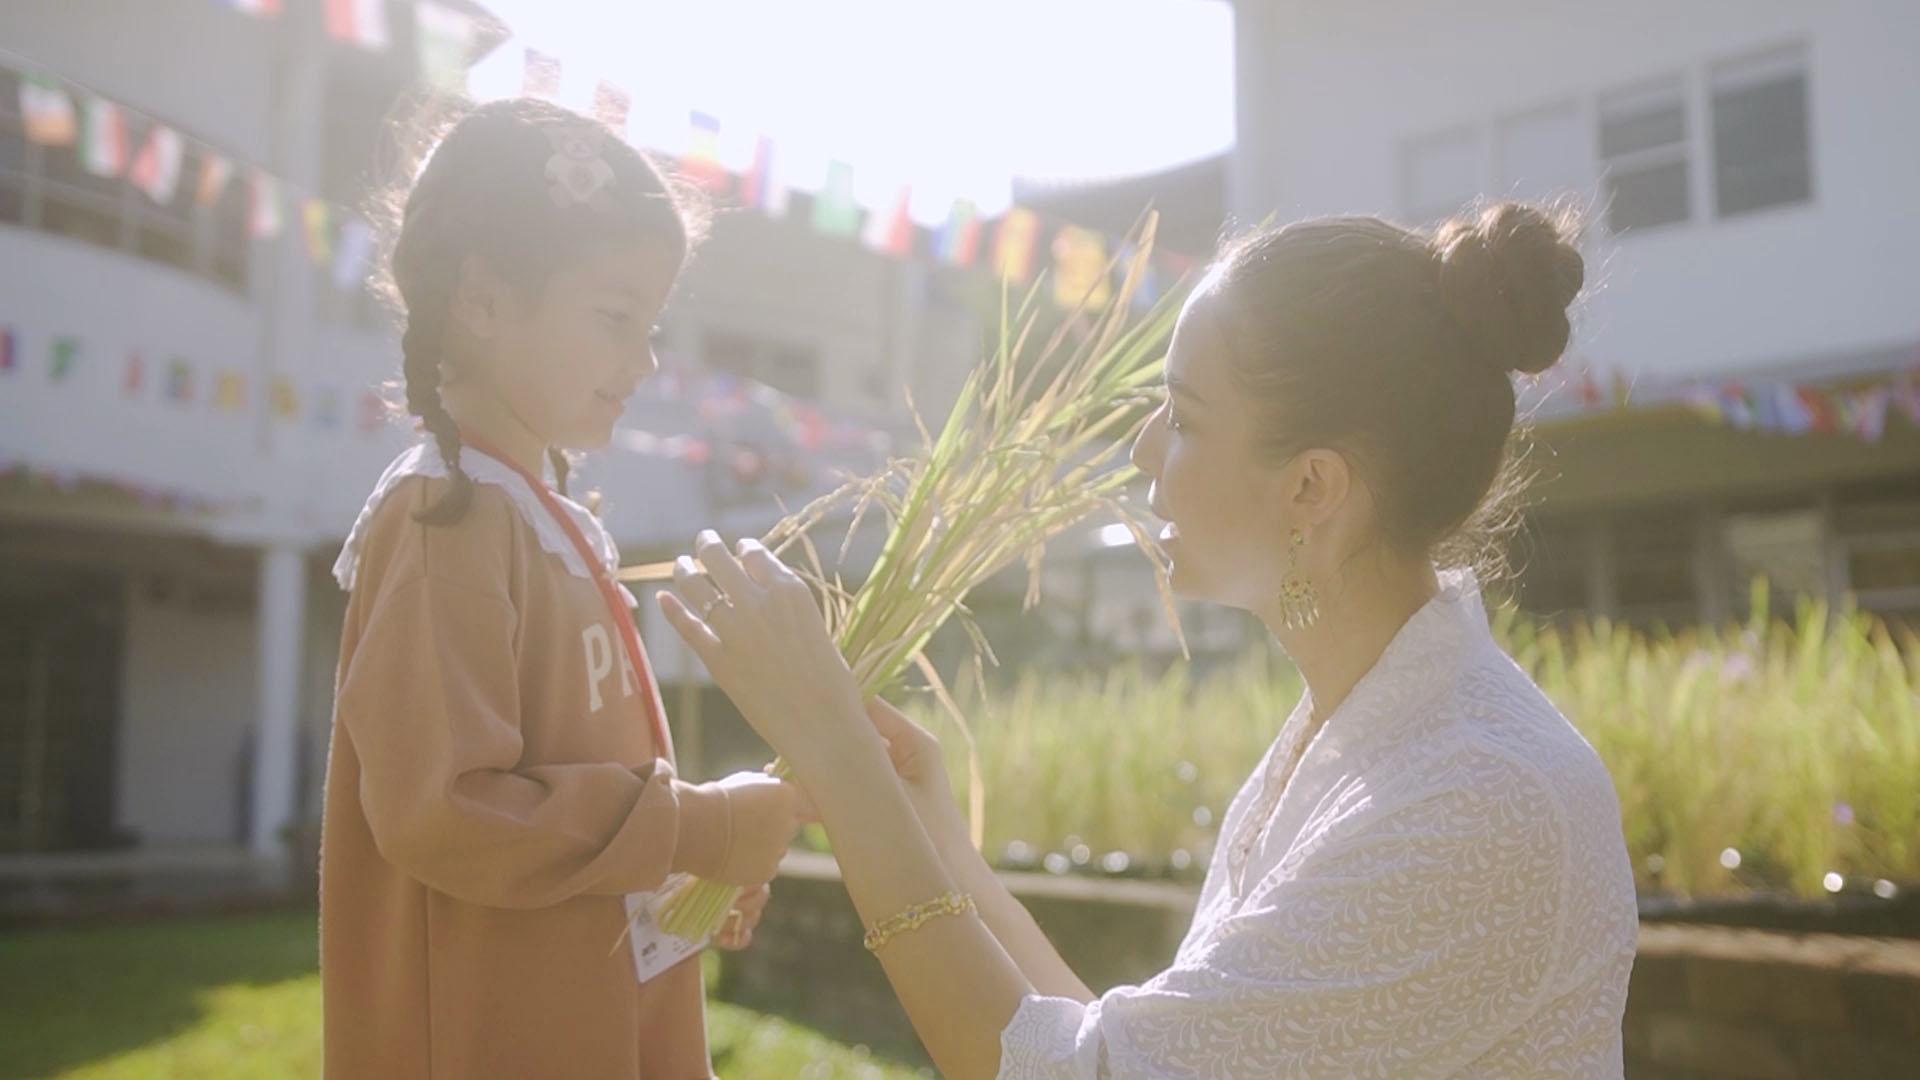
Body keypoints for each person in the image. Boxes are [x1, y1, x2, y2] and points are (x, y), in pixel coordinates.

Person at [659, 202, 1640, 1078]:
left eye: (1186, 415)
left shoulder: (1479, 797)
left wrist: (836, 752)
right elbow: (1127, 1051)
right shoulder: (1362, 736)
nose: (1142, 450)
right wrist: (935, 844)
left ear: (1311, 488)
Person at [321, 98, 802, 1080]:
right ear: (484, 302)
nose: (646, 358)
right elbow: (448, 811)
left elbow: (572, 793)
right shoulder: (443, 522)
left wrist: (687, 864)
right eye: (615, 319)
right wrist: (700, 824)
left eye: (651, 324)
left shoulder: (544, 517)